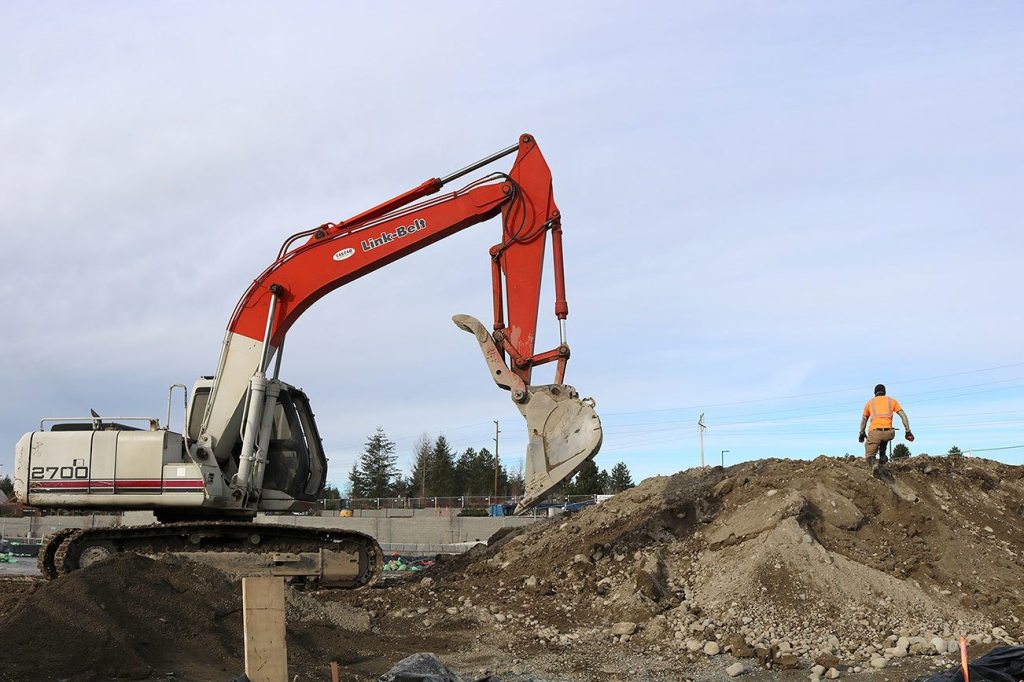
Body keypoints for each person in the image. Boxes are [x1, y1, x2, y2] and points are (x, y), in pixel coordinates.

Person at [858, 384, 914, 473]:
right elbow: (903, 416)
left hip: (875, 432)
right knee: (883, 440)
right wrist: (908, 431)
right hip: (889, 433)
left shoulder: (870, 402)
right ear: (885, 392)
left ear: (875, 393)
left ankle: (874, 464)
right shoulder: (892, 401)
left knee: (869, 455)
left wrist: (861, 433)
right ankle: (882, 457)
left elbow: (864, 419)